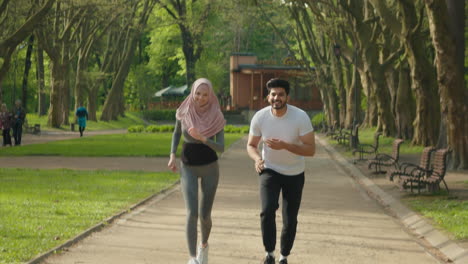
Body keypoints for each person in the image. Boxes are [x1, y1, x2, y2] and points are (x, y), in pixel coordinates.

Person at [246, 78, 316, 264]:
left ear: (287, 97)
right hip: (269, 170)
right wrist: (257, 159)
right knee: (267, 210)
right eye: (273, 94)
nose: (276, 98)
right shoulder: (260, 117)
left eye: (281, 94)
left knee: (290, 218)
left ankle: (284, 256)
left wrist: (285, 146)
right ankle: (269, 253)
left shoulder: (300, 117)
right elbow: (251, 145)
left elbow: (310, 150)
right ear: (268, 96)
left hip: (295, 173)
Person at [167, 78, 226, 264]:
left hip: (210, 168)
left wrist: (203, 139)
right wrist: (171, 155)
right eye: (198, 93)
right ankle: (192, 258)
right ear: (193, 92)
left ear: (211, 96)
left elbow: (221, 147)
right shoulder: (184, 111)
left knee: (204, 215)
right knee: (191, 212)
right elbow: (177, 133)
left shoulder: (216, 115)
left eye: (205, 94)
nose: (200, 98)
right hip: (188, 166)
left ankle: (204, 246)